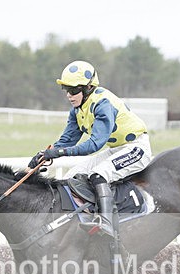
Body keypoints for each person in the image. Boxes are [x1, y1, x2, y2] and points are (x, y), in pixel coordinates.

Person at [29, 60, 152, 238]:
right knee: (72, 175)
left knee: (98, 175)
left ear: (87, 88)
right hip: (117, 149)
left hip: (136, 148)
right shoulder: (77, 109)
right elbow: (68, 139)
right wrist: (45, 154)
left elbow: (95, 144)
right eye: (66, 90)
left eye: (73, 90)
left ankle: (107, 224)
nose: (69, 96)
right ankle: (80, 219)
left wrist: (59, 153)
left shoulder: (103, 104)